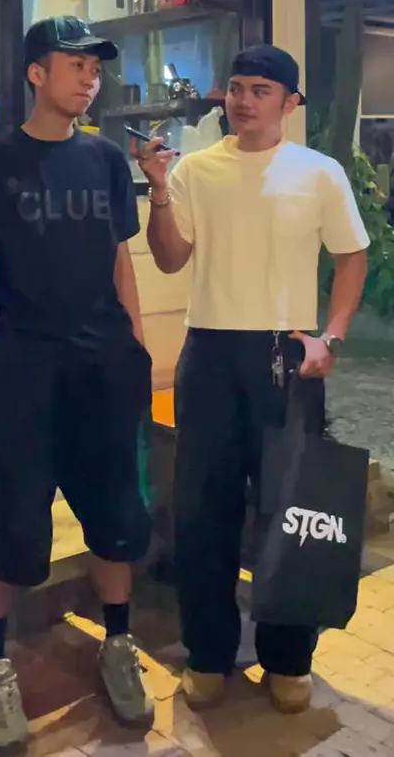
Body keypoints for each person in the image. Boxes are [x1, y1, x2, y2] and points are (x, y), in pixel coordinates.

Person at [0, 16, 154, 750]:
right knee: (3, 524)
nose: (90, 78)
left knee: (118, 516)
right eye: (75, 64)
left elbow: (121, 258)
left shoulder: (106, 161)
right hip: (21, 371)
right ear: (36, 72)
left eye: (95, 67)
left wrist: (136, 350)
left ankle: (118, 645)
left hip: (103, 368)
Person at [135, 44, 369, 714]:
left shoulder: (318, 173)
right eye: (237, 88)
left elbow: (351, 257)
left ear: (289, 102)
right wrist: (158, 192)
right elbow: (170, 258)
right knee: (202, 511)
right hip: (209, 352)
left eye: (260, 90)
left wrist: (331, 337)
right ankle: (208, 654)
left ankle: (289, 658)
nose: (243, 100)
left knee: (290, 508)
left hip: (287, 355)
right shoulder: (197, 169)